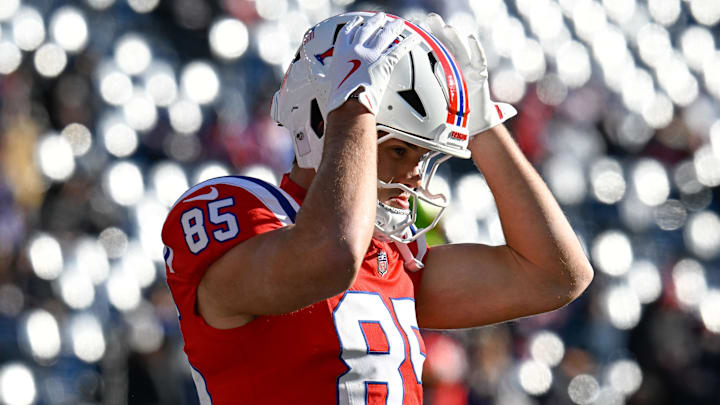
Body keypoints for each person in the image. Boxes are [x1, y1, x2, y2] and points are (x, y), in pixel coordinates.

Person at [161, 11, 593, 404]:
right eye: (400, 151)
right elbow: (328, 257)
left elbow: (555, 276)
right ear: (321, 124)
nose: (415, 178)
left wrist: (484, 125)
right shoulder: (239, 210)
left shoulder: (389, 258)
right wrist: (354, 102)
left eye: (423, 158)